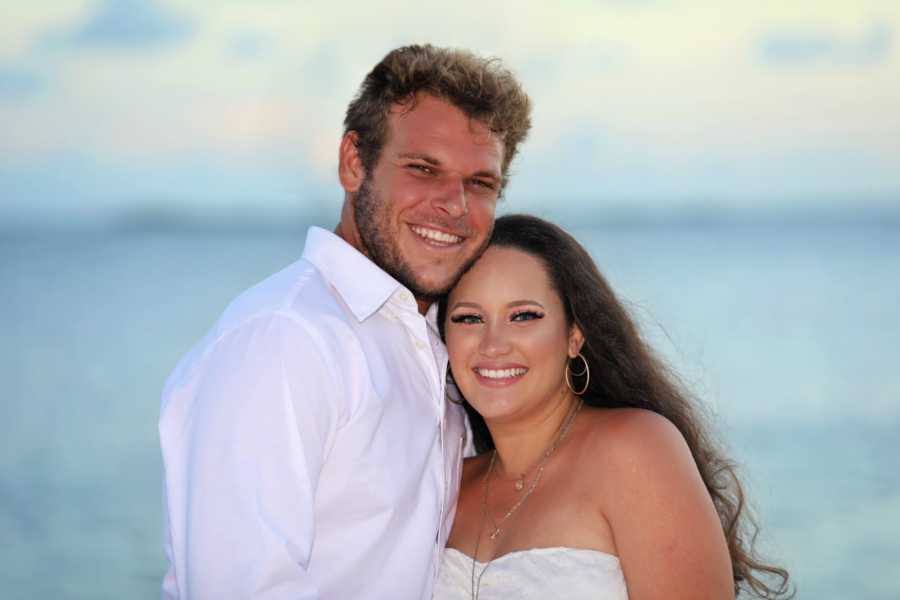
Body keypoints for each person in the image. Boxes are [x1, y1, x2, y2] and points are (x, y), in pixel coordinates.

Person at [158, 45, 531, 599]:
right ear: (353, 163)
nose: (454, 205)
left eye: (480, 183)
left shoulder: (434, 341)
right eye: (423, 169)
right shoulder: (287, 340)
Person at [432, 214, 792, 600]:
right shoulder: (450, 481)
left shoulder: (635, 450)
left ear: (574, 335)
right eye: (469, 318)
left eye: (523, 316)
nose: (493, 344)